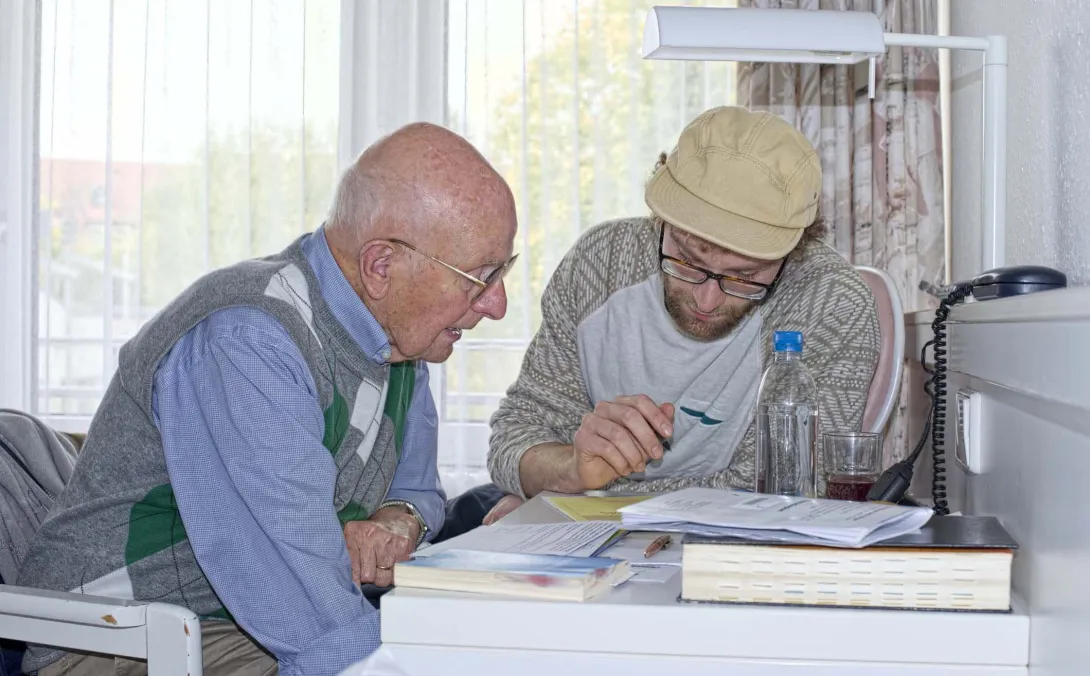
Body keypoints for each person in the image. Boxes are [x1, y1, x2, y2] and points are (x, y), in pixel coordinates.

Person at [16, 123, 518, 675]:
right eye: (480, 276)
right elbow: (310, 618)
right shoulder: (250, 338)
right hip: (119, 638)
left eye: (504, 269)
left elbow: (417, 490)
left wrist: (398, 521)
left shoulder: (400, 338)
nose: (497, 304)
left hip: (249, 620)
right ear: (380, 266)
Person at [485, 105, 879, 510]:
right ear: (659, 220)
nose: (706, 301)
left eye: (744, 276)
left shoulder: (832, 302)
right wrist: (570, 471)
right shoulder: (598, 266)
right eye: (688, 261)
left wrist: (560, 496)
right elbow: (516, 436)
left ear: (797, 249)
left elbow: (773, 496)